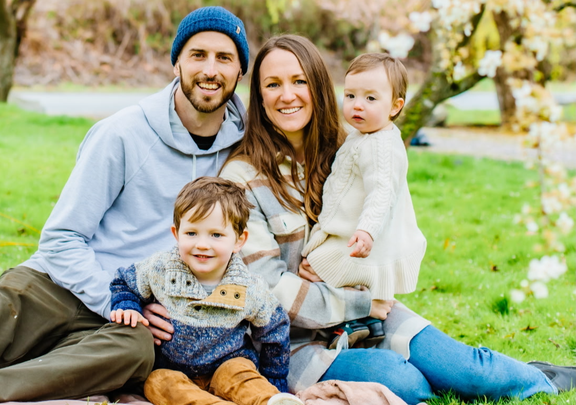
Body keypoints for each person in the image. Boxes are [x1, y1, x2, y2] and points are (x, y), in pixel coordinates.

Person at [0, 6, 249, 405]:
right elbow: (62, 238)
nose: (210, 70)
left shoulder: (242, 150)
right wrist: (118, 301)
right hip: (56, 288)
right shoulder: (122, 134)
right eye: (198, 55)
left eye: (224, 58)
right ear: (177, 62)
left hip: (128, 322)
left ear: (240, 71)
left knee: (135, 352)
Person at [217, 34, 575, 405]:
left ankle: (539, 378)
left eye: (299, 81)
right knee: (406, 384)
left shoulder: (350, 150)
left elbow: (386, 223)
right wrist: (356, 301)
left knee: (467, 370)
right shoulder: (241, 179)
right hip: (297, 344)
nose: (287, 95)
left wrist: (356, 284)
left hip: (371, 314)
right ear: (258, 96)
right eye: (273, 85)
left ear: (319, 87)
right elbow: (268, 291)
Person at [110, 176, 302, 405]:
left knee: (241, 374)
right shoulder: (160, 268)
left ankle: (271, 401)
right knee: (158, 383)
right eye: (191, 233)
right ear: (176, 234)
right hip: (172, 370)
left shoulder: (249, 287)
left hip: (228, 363)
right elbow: (124, 282)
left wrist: (274, 380)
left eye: (216, 235)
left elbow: (275, 330)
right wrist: (128, 306)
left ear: (239, 241)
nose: (202, 244)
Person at [299, 53, 427, 349]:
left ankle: (353, 320)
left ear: (395, 106)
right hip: (351, 231)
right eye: (350, 95)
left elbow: (381, 192)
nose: (358, 105)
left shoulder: (382, 146)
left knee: (315, 265)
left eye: (370, 98)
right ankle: (364, 321)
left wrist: (367, 230)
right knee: (321, 265)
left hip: (362, 237)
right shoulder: (364, 135)